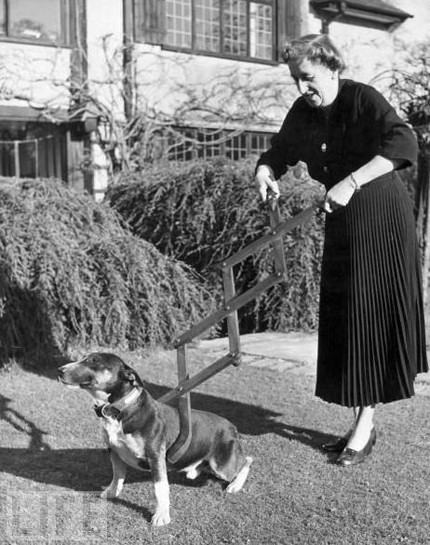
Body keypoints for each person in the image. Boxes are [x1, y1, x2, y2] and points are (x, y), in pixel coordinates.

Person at [255, 34, 428, 466]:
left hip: (380, 217)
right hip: (343, 219)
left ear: (331, 68)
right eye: (295, 79)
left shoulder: (362, 99)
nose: (301, 88)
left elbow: (404, 145)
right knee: (347, 317)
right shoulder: (304, 111)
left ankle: (365, 427)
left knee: (368, 315)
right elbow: (281, 151)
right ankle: (358, 423)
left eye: (308, 78)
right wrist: (264, 169)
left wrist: (351, 181)